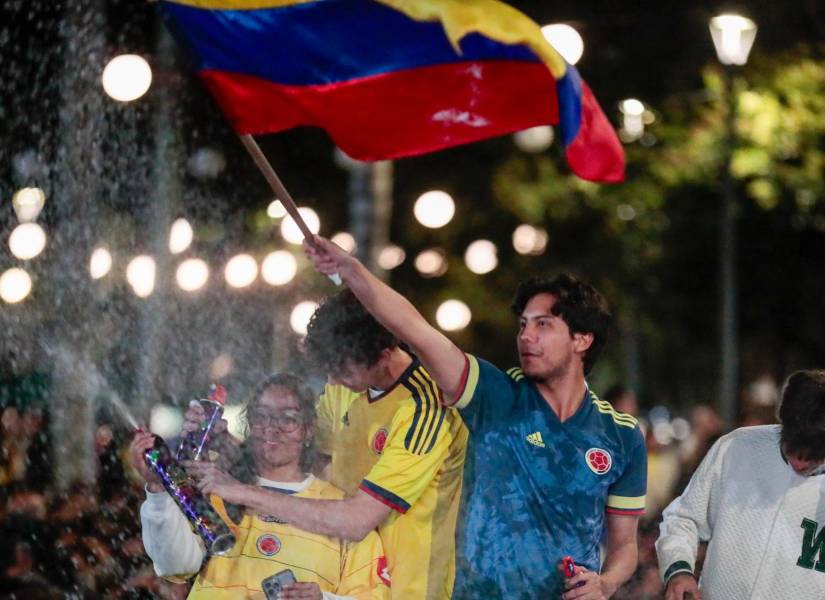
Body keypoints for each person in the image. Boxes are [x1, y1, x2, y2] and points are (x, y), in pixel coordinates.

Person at [297, 236, 647, 600]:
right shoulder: (495, 396)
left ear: (582, 340)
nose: (526, 336)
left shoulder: (621, 435)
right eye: (523, 324)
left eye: (542, 325)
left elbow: (625, 547)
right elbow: (416, 331)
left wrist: (605, 584)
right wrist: (351, 270)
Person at [187, 292, 467, 600]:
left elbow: (356, 520)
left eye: (343, 370)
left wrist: (242, 491)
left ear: (385, 356)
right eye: (328, 369)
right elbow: (295, 450)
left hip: (406, 587)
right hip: (341, 576)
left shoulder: (425, 409)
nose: (333, 381)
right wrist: (222, 440)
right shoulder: (344, 387)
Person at [130, 373, 390, 600]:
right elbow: (175, 566)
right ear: (249, 422)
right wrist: (158, 488)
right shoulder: (216, 486)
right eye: (261, 417)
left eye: (288, 419)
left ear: (308, 429)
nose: (272, 429)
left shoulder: (343, 513)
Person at [656, 369, 825, 600]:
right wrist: (678, 569)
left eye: (813, 455)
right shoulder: (737, 449)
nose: (799, 461)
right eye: (793, 446)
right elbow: (684, 518)